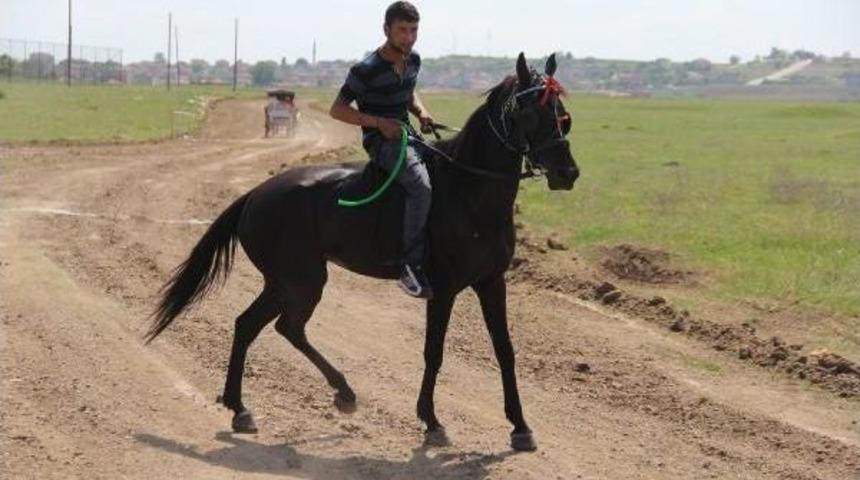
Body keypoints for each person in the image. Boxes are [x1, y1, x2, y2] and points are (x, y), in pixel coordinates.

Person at [329, 1, 435, 298]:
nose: (409, 37)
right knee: (421, 187)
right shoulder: (366, 69)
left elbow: (409, 90)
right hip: (382, 143)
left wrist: (422, 112)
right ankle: (409, 265)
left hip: (409, 135)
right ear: (386, 29)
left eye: (414, 30)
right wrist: (378, 123)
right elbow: (337, 110)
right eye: (402, 30)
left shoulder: (413, 60)